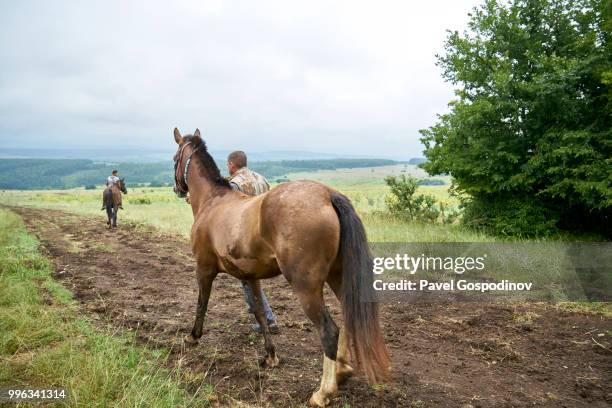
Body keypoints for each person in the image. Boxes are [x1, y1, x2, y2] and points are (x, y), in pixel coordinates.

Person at [227, 151, 279, 334]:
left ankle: (266, 318)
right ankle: (264, 316)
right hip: (266, 235)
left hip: (247, 236)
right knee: (250, 279)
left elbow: (231, 213)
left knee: (247, 276)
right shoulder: (262, 179)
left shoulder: (233, 184)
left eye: (228, 165)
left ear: (232, 165)